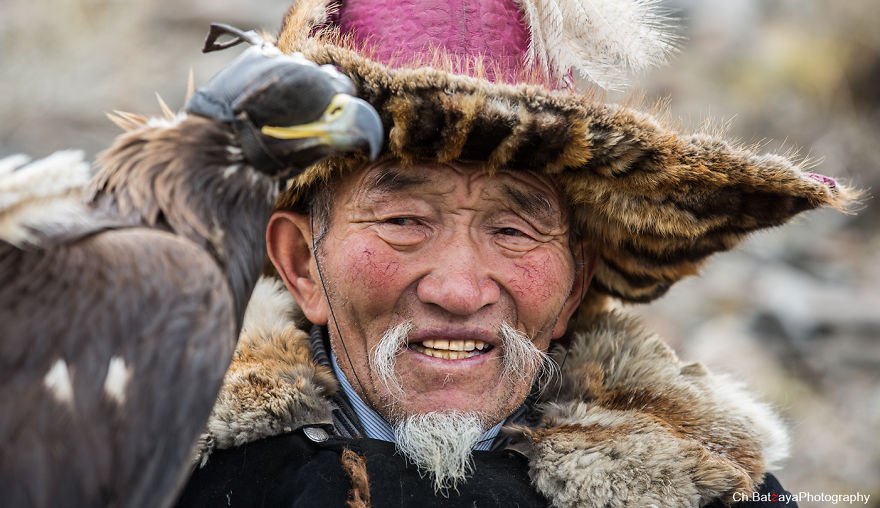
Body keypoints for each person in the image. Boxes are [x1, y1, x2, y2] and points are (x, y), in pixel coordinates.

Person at [175, 0, 853, 506]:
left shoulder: (710, 491)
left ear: (575, 282)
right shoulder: (165, 477)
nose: (461, 290)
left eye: (512, 231)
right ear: (301, 265)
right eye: (405, 219)